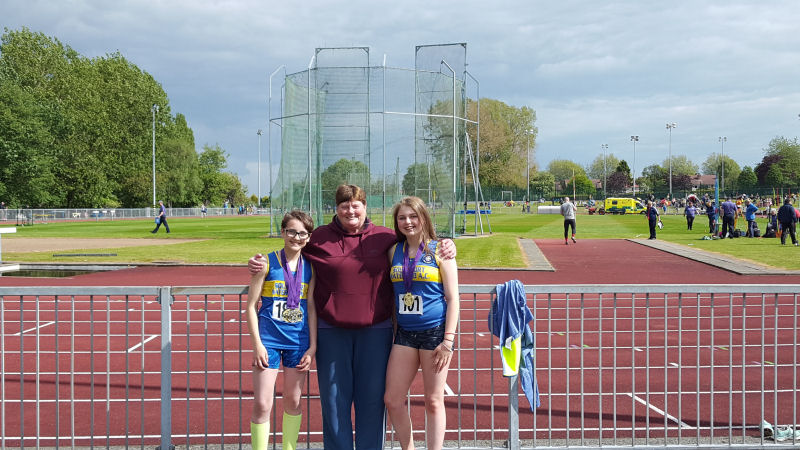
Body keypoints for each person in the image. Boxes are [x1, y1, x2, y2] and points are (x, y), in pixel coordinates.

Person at [247, 184, 455, 450]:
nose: (350, 210)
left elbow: (418, 244)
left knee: (372, 400)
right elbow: (292, 249)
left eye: (355, 204)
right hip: (331, 330)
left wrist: (448, 244)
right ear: (336, 209)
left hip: (375, 330)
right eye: (344, 205)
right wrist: (258, 264)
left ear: (365, 207)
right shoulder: (320, 237)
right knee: (334, 401)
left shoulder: (385, 238)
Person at [383, 196, 459, 450]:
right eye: (402, 217)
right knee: (392, 399)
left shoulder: (440, 250)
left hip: (435, 334)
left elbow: (452, 298)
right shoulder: (394, 251)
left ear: (423, 218)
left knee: (433, 400)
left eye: (413, 216)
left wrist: (448, 341)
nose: (408, 222)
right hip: (405, 334)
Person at [245, 211, 317, 450]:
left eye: (302, 234)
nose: (296, 237)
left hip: (298, 342)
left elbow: (312, 308)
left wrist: (313, 346)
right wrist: (257, 344)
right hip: (269, 343)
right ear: (283, 232)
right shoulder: (266, 263)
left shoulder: (311, 268)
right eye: (292, 232)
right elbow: (250, 305)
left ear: (308, 237)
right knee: (263, 403)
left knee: (293, 400)